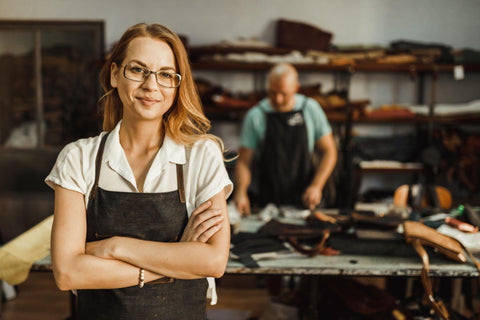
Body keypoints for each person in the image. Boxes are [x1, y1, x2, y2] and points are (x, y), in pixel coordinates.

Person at [45, 23, 232, 320]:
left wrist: (112, 247)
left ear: (177, 84)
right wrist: (176, 260)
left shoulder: (201, 155)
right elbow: (68, 274)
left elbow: (213, 261)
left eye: (166, 74)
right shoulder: (78, 158)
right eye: (138, 70)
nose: (151, 85)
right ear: (115, 74)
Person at [234, 63, 337, 215]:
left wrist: (316, 185)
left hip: (305, 196)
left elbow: (329, 151)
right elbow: (243, 161)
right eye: (272, 92)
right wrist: (241, 192)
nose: (278, 99)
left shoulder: (310, 109)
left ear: (296, 88)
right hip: (268, 198)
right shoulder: (255, 115)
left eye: (284, 93)